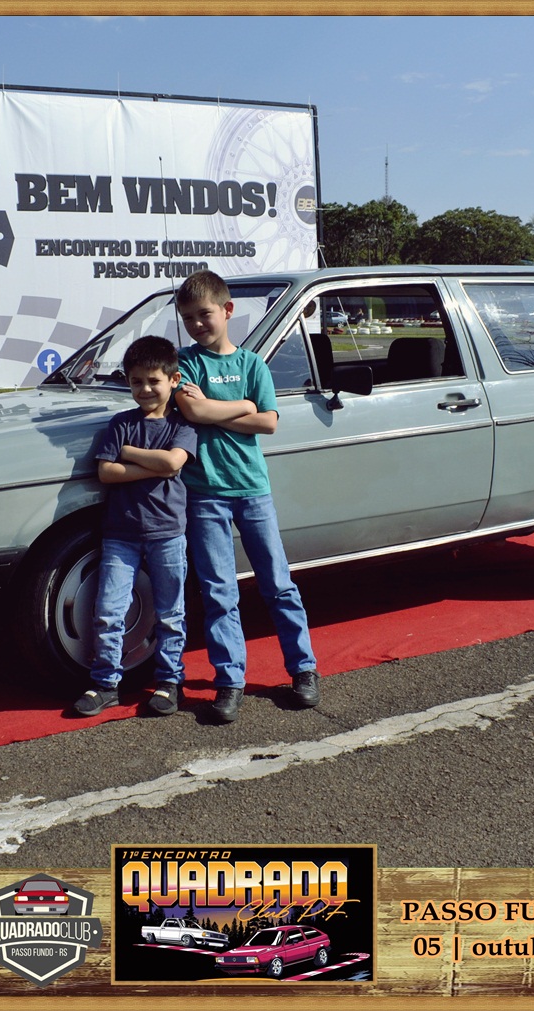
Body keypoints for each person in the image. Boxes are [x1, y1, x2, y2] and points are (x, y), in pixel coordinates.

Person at [171, 269, 320, 724]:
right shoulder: (185, 362)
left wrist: (215, 410)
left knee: (278, 583)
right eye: (188, 318)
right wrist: (243, 406)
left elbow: (268, 422)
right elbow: (192, 409)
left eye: (205, 314)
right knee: (219, 592)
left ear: (228, 310)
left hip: (253, 491)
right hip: (205, 494)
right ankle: (229, 680)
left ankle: (303, 669)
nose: (197, 324)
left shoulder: (253, 364)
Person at [74, 335, 198, 718]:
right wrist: (154, 464)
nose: (145, 389)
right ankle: (105, 683)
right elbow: (107, 473)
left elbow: (174, 463)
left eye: (153, 381)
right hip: (120, 535)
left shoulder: (182, 424)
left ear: (174, 380)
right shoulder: (121, 422)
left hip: (168, 533)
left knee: (170, 613)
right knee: (109, 611)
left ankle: (169, 682)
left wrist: (128, 453)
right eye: (136, 382)